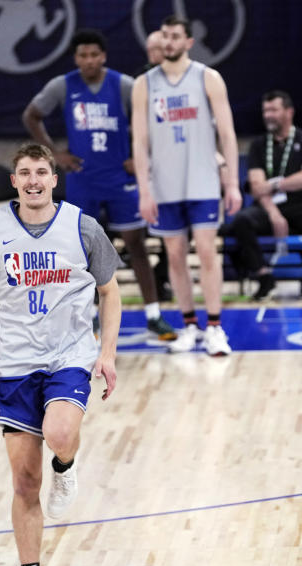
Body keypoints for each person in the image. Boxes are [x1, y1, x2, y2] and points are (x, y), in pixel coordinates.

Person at [0, 143, 122, 566]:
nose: (33, 180)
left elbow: (110, 291)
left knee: (60, 432)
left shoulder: (82, 227)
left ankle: (67, 465)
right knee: (25, 484)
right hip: (13, 363)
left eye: (42, 172)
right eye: (25, 173)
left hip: (69, 355)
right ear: (14, 181)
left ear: (54, 179)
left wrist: (107, 354)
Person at [22, 28, 177, 341]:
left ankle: (153, 314)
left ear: (103, 57)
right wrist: (54, 154)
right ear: (76, 58)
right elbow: (32, 115)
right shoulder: (63, 86)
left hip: (120, 179)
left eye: (94, 55)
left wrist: (140, 156)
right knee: (82, 251)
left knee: (136, 244)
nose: (89, 60)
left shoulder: (122, 85)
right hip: (84, 179)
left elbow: (156, 119)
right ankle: (88, 317)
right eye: (83, 55)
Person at [132, 15, 241, 356]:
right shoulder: (144, 84)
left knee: (208, 253)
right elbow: (139, 142)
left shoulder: (209, 78)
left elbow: (227, 134)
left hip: (203, 181)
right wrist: (144, 189)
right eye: (164, 36)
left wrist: (233, 183)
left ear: (189, 42)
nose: (168, 42)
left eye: (175, 36)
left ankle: (215, 327)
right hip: (164, 185)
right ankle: (189, 325)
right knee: (175, 257)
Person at [229, 91, 302, 301]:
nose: (268, 115)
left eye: (273, 110)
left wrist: (276, 184)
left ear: (289, 112)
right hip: (268, 207)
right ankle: (264, 277)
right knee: (241, 221)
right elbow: (257, 186)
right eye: (265, 111)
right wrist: (273, 212)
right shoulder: (259, 145)